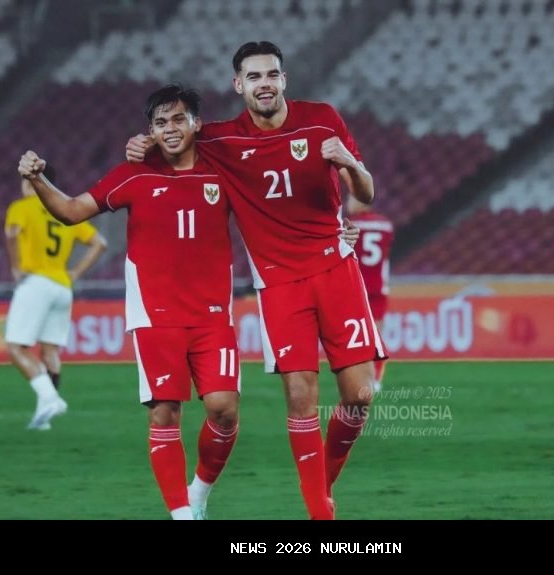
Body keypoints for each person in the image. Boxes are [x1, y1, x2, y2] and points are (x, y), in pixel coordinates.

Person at [127, 41, 385, 519]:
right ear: (238, 85)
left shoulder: (323, 118)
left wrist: (351, 163)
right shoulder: (221, 140)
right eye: (253, 76)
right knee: (301, 396)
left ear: (283, 79)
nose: (263, 83)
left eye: (271, 74)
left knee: (360, 396)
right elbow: (173, 143)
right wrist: (139, 145)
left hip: (336, 268)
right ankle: (321, 515)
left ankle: (321, 482)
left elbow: (364, 195)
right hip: (280, 283)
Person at [18, 84, 242, 520]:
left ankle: (198, 494)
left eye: (179, 119)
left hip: (213, 313)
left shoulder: (225, 170)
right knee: (164, 412)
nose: (171, 129)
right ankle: (180, 514)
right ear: (150, 130)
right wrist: (36, 177)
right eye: (160, 123)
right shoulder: (132, 174)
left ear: (197, 123)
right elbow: (68, 211)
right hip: (155, 314)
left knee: (225, 410)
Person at [4, 164, 107, 430]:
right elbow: (100, 243)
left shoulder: (21, 207)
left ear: (30, 181)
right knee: (50, 350)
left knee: (17, 347)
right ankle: (44, 416)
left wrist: (16, 267)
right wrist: (75, 273)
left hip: (35, 282)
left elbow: (11, 234)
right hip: (62, 286)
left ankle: (49, 397)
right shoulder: (62, 207)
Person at [347, 195, 394, 393]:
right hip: (378, 287)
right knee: (377, 338)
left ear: (360, 201)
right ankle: (375, 380)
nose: (348, 203)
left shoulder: (349, 225)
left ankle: (356, 378)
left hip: (354, 287)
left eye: (351, 198)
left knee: (354, 337)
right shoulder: (386, 225)